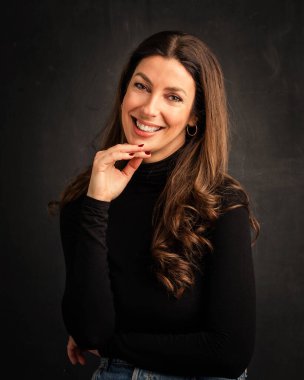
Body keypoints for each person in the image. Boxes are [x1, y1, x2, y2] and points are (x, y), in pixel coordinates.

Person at [49, 30, 260, 380]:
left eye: (173, 97)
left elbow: (229, 352)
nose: (149, 109)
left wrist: (114, 345)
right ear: (124, 91)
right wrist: (97, 204)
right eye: (141, 86)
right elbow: (89, 332)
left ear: (195, 115)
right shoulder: (85, 202)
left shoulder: (221, 203)